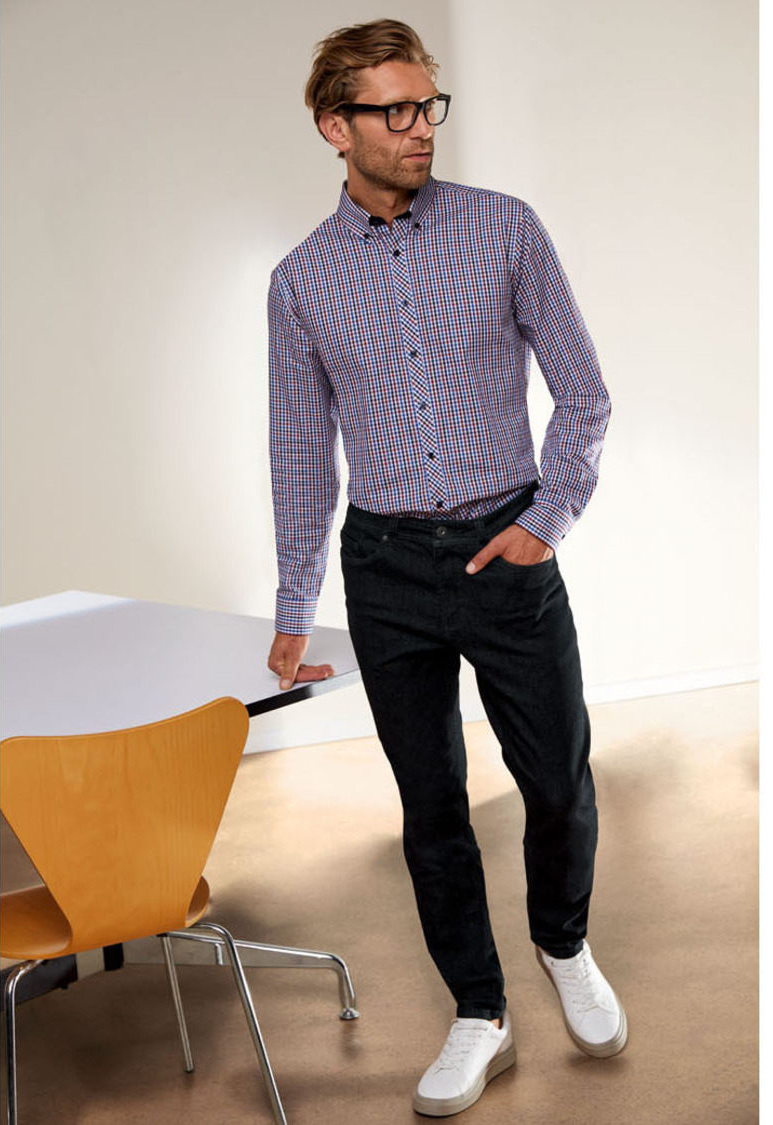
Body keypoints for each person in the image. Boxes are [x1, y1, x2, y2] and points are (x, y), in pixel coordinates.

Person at [264, 18, 620, 1116]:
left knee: (556, 775)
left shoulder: (505, 229)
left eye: (429, 105)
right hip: (386, 568)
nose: (421, 128)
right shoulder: (301, 282)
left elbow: (584, 393)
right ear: (335, 128)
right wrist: (293, 605)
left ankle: (563, 941)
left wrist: (546, 521)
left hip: (505, 545)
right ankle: (481, 1009)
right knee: (431, 806)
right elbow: (299, 451)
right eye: (395, 111)